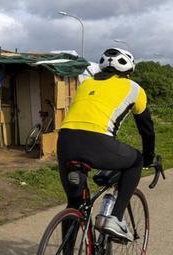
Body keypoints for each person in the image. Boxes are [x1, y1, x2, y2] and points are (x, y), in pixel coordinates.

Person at [57, 48, 155, 240]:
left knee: (75, 204)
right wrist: (148, 157)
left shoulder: (85, 84)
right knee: (135, 161)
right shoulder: (135, 89)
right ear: (129, 71)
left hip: (66, 142)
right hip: (98, 142)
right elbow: (147, 130)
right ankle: (116, 218)